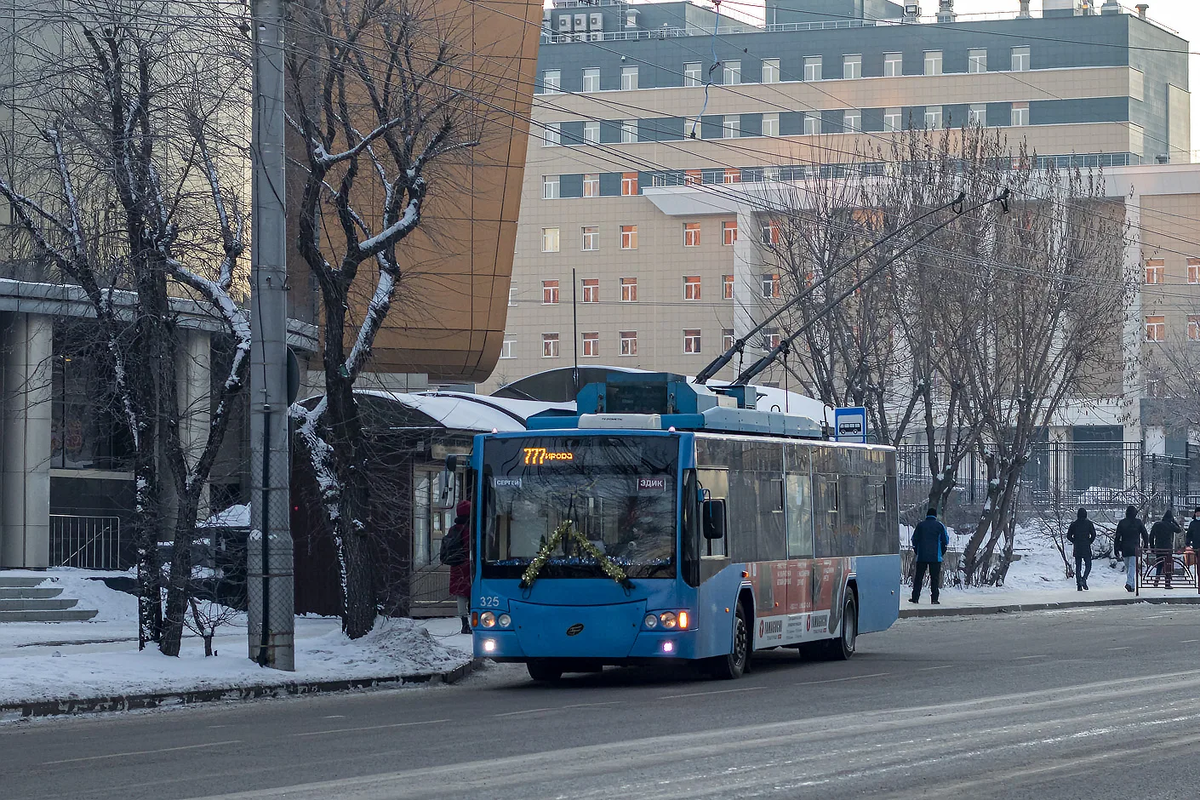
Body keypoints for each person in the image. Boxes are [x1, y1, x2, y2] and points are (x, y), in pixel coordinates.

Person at [910, 508, 950, 605]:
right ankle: (934, 599)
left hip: (922, 556)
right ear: (935, 516)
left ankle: (915, 598)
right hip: (935, 557)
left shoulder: (920, 525)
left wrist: (917, 552)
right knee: (934, 579)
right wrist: (942, 552)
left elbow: (914, 540)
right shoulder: (939, 526)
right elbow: (946, 540)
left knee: (918, 578)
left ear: (926, 515)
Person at [447, 500, 473, 634]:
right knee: (473, 594)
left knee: (461, 596)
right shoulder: (470, 529)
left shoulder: (453, 529)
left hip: (456, 566)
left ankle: (464, 623)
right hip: (469, 566)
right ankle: (472, 622)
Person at [1113, 505, 1147, 593]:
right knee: (1132, 567)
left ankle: (1132, 586)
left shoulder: (1122, 523)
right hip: (1135, 548)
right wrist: (1146, 545)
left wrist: (1116, 548)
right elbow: (1145, 534)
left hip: (1124, 548)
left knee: (1129, 567)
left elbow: (1117, 537)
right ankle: (1129, 583)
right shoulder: (1138, 522)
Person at [1065, 507, 1097, 591]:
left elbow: (1068, 536)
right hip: (1086, 546)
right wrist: (1089, 541)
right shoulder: (1089, 523)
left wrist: (1074, 541)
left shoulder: (1074, 524)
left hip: (1077, 547)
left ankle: (1079, 584)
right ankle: (1084, 578)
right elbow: (1093, 534)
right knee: (1088, 565)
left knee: (1078, 566)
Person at [1149, 509, 1182, 588]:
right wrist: (1174, 521)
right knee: (1168, 565)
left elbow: (1151, 536)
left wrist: (1152, 547)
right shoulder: (1170, 525)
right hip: (1168, 548)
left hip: (1159, 547)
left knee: (1159, 564)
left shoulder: (1157, 524)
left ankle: (1156, 580)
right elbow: (1179, 530)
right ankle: (1167, 583)